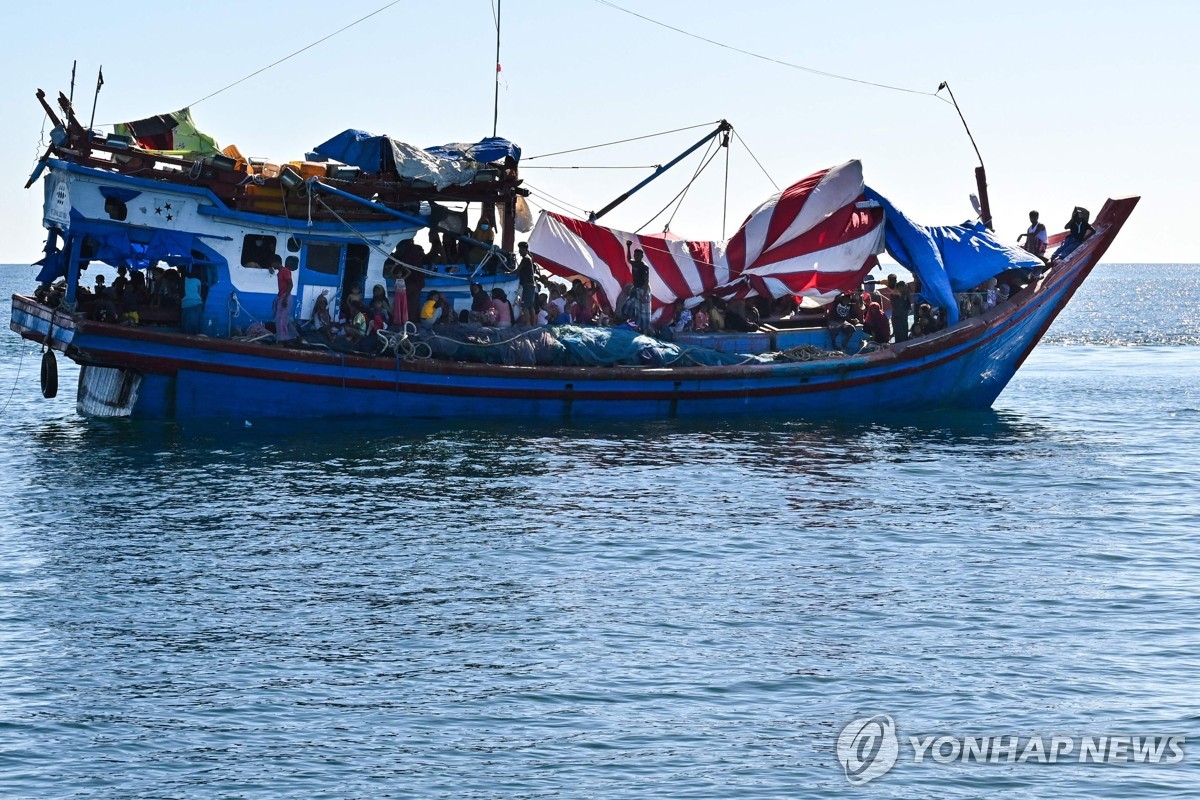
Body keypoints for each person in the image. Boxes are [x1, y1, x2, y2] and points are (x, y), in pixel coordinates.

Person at [625, 241, 652, 333]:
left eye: (638, 255)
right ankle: (636, 324)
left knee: (644, 311)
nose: (636, 256)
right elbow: (629, 259)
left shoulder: (644, 267)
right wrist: (628, 247)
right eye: (635, 255)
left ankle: (645, 330)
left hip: (644, 289)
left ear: (642, 256)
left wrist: (644, 295)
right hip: (636, 288)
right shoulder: (634, 262)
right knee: (632, 305)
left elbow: (646, 282)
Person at [267, 254, 295, 342]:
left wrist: (285, 298)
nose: (272, 266)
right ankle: (284, 339)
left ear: (277, 262)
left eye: (273, 264)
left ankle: (283, 341)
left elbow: (290, 284)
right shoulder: (280, 272)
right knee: (279, 319)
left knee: (281, 320)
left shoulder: (285, 271)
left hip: (285, 297)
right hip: (281, 296)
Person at [517, 241, 538, 325]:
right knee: (530, 305)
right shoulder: (529, 258)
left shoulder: (525, 259)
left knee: (525, 305)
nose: (519, 251)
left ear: (525, 249)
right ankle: (533, 324)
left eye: (521, 249)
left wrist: (508, 273)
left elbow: (518, 270)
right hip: (531, 285)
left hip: (527, 285)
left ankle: (528, 324)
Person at [181, 267, 203, 335]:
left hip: (185, 304)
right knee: (195, 325)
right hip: (197, 303)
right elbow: (199, 293)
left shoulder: (183, 280)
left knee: (186, 325)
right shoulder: (198, 281)